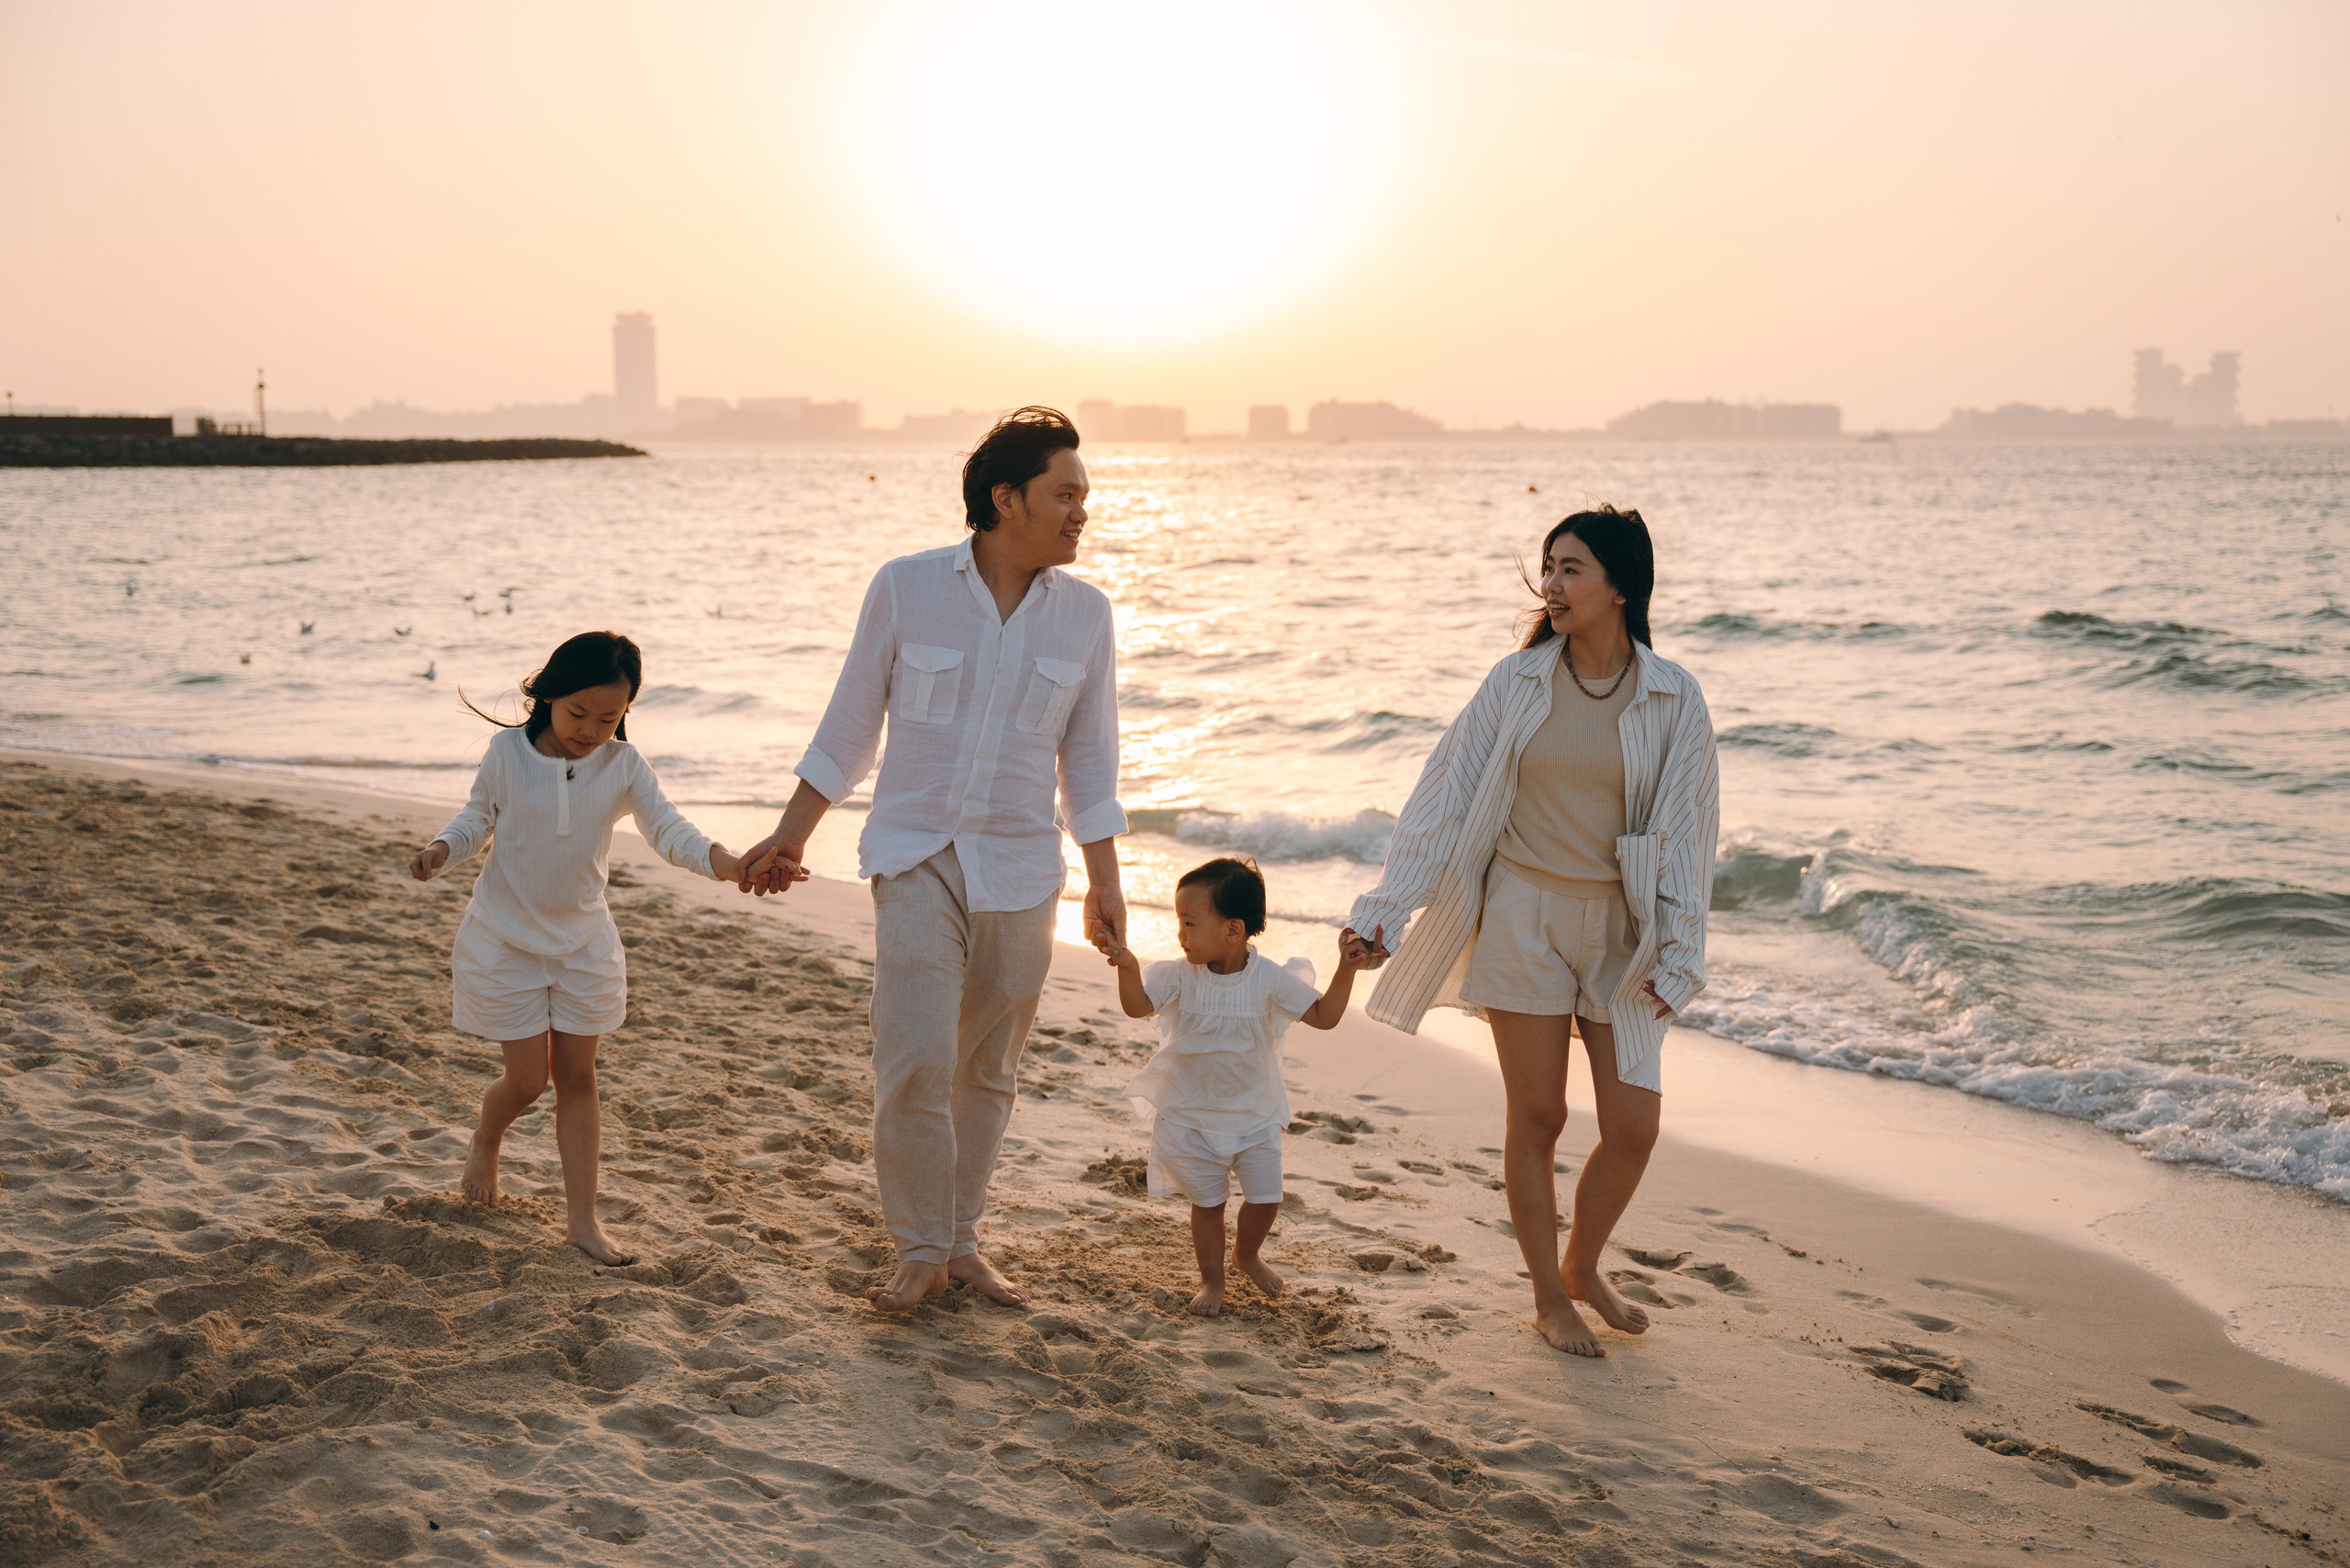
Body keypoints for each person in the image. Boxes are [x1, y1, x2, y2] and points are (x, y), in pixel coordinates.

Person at [736, 407, 1128, 1312]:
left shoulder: (1086, 616)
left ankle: (959, 1242)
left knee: (986, 1070)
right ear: (1006, 497)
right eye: (1064, 496)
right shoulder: (906, 587)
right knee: (914, 1057)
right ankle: (918, 1246)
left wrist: (1106, 885)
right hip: (916, 856)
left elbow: (1091, 762)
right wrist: (793, 830)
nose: (1080, 514)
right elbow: (849, 724)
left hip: (1023, 870)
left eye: (1084, 498)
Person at [1344, 508, 1718, 1356]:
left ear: (1621, 586)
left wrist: (1683, 952)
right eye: (1548, 568)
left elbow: (1693, 832)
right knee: (1539, 1115)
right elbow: (1441, 798)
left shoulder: (1673, 697)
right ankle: (1550, 1296)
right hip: (1520, 914)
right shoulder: (1514, 684)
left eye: (1572, 570)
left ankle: (1585, 1265)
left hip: (1622, 930)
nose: (1552, 585)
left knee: (1632, 1127)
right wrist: (1385, 910)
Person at [408, 631, 776, 1264]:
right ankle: (487, 1138)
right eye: (578, 712)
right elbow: (476, 818)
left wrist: (732, 864)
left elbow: (670, 831)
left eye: (610, 718)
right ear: (548, 693)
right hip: (505, 939)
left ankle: (582, 1222)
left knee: (577, 1077)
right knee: (525, 1082)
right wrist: (443, 848)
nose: (590, 729)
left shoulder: (623, 767)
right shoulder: (505, 753)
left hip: (582, 945)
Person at [1094, 858, 1373, 1316]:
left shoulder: (1268, 980)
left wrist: (1345, 970)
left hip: (1253, 1115)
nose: (1180, 935)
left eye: (1189, 923)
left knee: (1266, 1199)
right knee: (1209, 1206)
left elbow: (1324, 1017)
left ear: (1233, 929)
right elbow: (1136, 1006)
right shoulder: (1180, 977)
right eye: (1177, 922)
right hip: (1192, 1116)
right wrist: (1127, 965)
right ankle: (1212, 1280)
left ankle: (1246, 1253)